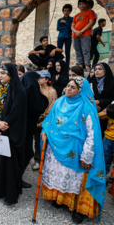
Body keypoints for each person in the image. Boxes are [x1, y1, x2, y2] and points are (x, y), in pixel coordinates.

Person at [41, 77, 106, 224]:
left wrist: (87, 156)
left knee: (76, 178)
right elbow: (49, 120)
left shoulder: (86, 106)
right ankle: (61, 198)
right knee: (61, 175)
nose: (68, 89)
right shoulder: (59, 102)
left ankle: (78, 208)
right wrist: (45, 130)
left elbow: (92, 134)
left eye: (73, 87)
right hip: (57, 148)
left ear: (80, 91)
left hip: (76, 152)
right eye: (67, 86)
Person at [0, 63, 27, 205]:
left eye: (4, 73)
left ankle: (9, 193)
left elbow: (15, 114)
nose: (0, 75)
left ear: (11, 75)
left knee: (8, 164)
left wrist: (2, 128)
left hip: (10, 132)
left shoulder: (19, 91)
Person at [21, 71, 49, 187]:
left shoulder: (21, 91)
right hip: (26, 129)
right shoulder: (31, 91)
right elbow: (40, 106)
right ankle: (17, 178)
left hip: (22, 128)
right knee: (27, 152)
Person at [33, 70, 57, 170]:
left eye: (41, 78)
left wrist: (44, 121)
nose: (39, 80)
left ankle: (46, 160)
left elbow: (52, 108)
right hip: (36, 117)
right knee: (36, 140)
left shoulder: (52, 91)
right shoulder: (36, 89)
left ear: (47, 79)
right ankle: (37, 160)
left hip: (46, 118)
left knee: (45, 139)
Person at [89, 63, 114, 136]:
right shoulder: (91, 82)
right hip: (93, 110)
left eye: (100, 69)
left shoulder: (111, 82)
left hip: (107, 111)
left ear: (106, 71)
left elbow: (112, 98)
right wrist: (94, 104)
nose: (97, 71)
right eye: (95, 69)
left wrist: (99, 101)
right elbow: (86, 96)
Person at [72, 0, 96, 71]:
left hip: (85, 34)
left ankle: (87, 65)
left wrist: (81, 31)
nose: (81, 5)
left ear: (86, 5)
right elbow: (72, 26)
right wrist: (76, 31)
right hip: (75, 35)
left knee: (86, 50)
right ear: (78, 6)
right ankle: (80, 65)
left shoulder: (90, 12)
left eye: (83, 3)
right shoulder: (76, 15)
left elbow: (91, 22)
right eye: (80, 4)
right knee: (78, 50)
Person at [99, 103, 114, 174]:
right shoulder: (111, 109)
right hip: (107, 139)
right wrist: (107, 113)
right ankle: (104, 174)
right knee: (105, 156)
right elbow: (98, 115)